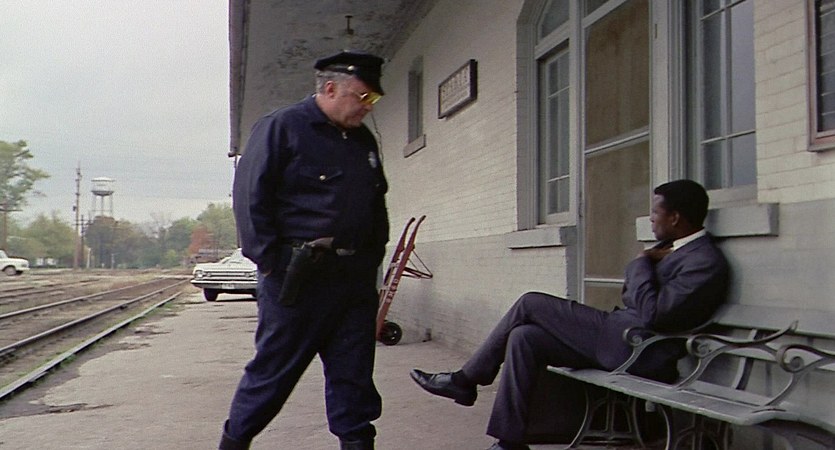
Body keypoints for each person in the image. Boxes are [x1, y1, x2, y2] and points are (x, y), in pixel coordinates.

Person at [411, 179, 730, 450]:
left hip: (639, 350)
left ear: (675, 218)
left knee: (530, 303)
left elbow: (652, 314)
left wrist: (641, 263)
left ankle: (465, 380)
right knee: (524, 337)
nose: (650, 219)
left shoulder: (703, 261)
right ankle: (510, 442)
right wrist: (645, 269)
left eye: (655, 212)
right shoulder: (675, 249)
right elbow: (632, 297)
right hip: (622, 338)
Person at [219, 50, 390, 450]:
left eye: (374, 99)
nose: (368, 106)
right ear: (330, 89)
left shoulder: (362, 140)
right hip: (297, 280)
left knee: (354, 381)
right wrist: (274, 264)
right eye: (363, 96)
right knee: (272, 376)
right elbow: (250, 201)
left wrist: (371, 260)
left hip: (353, 283)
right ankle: (234, 442)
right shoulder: (282, 128)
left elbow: (375, 205)